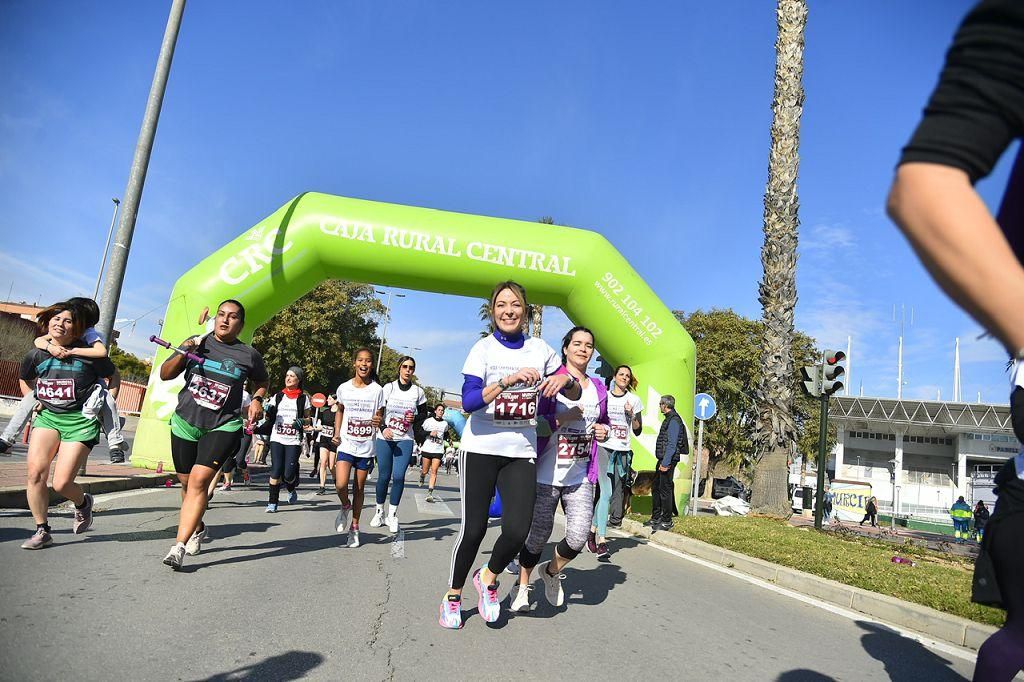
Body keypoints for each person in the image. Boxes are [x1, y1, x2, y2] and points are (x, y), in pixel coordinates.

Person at [439, 281, 578, 629]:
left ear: (525, 310)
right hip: (481, 448)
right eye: (501, 305)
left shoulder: (540, 349)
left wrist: (565, 382)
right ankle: (453, 596)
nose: (508, 311)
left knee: (518, 530)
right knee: (473, 530)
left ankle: (487, 576)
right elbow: (469, 402)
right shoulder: (483, 350)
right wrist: (507, 381)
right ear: (493, 311)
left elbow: (573, 387)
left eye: (515, 304)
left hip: (521, 450)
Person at [159, 300, 268, 569]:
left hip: (223, 425)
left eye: (232, 317)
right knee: (186, 484)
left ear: (240, 325)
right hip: (186, 421)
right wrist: (186, 350)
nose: (224, 320)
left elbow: (262, 380)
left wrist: (256, 400)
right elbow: (164, 374)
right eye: (221, 315)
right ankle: (197, 527)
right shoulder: (197, 342)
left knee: (197, 483)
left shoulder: (248, 355)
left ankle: (178, 547)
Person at [511, 326, 609, 612]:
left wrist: (603, 430)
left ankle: (551, 572)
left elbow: (603, 423)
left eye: (588, 345)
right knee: (538, 534)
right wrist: (562, 418)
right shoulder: (549, 384)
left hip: (580, 474)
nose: (582, 349)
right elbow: (532, 423)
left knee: (578, 537)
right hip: (545, 473)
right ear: (565, 349)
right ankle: (522, 586)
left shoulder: (599, 389)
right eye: (576, 343)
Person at [18, 301, 118, 549]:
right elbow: (25, 379)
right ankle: (42, 530)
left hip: (80, 422)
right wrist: (35, 401)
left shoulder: (87, 352)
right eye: (56, 318)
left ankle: (83, 503)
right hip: (48, 417)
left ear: (78, 329)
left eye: (68, 321)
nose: (59, 324)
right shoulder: (37, 353)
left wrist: (107, 404)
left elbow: (113, 376)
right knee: (35, 475)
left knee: (62, 483)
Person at [1, 297, 127, 463]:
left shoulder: (89, 334)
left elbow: (101, 353)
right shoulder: (51, 340)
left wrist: (72, 351)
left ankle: (115, 442)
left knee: (107, 401)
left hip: (93, 383)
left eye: (70, 319)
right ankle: (6, 439)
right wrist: (51, 348)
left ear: (82, 321)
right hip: (53, 408)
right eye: (59, 318)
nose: (63, 323)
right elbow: (38, 341)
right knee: (28, 400)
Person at [331, 348, 384, 549]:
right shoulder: (344, 388)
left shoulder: (377, 390)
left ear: (372, 365)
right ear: (354, 363)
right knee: (340, 484)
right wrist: (337, 433)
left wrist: (379, 420)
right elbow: (340, 411)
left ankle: (354, 527)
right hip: (346, 443)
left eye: (368, 361)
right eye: (360, 360)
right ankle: (345, 505)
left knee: (359, 488)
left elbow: (379, 416)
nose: (364, 364)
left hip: (366, 446)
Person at [372, 356, 428, 533]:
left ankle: (392, 515)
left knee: (398, 477)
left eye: (411, 367)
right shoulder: (388, 388)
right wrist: (383, 427)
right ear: (399, 368)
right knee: (383, 476)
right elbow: (378, 412)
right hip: (386, 437)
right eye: (404, 366)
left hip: (405, 439)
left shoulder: (418, 392)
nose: (408, 370)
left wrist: (415, 418)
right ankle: (379, 512)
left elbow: (424, 414)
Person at [593, 365, 643, 557]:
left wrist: (631, 415)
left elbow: (638, 429)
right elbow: (594, 419)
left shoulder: (634, 400)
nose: (624, 378)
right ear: (614, 377)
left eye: (627, 376)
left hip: (622, 450)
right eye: (621, 374)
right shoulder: (604, 396)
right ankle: (602, 541)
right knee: (605, 492)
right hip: (604, 447)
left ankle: (592, 529)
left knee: (613, 491)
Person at [263, 367, 310, 512]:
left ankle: (291, 488)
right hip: (277, 437)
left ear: (298, 380)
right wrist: (268, 412)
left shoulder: (303, 398)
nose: (288, 378)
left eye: (292, 376)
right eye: (287, 375)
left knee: (288, 474)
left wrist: (302, 422)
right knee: (276, 470)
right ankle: (272, 503)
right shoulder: (277, 396)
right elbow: (267, 417)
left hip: (294, 440)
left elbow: (308, 419)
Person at [645, 395, 688, 532]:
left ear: (665, 405)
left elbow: (672, 444)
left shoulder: (674, 421)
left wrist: (666, 462)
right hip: (663, 459)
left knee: (665, 490)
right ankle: (656, 517)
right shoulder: (669, 419)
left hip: (668, 460)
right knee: (656, 487)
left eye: (660, 404)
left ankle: (666, 521)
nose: (659, 407)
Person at [207, 390, 253, 493]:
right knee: (224, 458)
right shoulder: (222, 390)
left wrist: (249, 420)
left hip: (243, 430)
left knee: (240, 460)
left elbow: (250, 413)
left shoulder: (245, 395)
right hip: (226, 429)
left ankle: (244, 471)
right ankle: (225, 483)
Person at [419, 404, 452, 502]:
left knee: (434, 471)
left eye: (442, 410)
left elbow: (445, 434)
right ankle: (422, 476)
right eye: (439, 410)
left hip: (438, 450)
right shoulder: (428, 421)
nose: (441, 412)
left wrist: (449, 439)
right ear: (435, 411)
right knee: (425, 470)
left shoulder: (445, 423)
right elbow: (420, 432)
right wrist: (429, 433)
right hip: (428, 448)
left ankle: (430, 493)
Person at [313, 394, 339, 495]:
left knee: (331, 466)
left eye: (329, 399)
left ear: (336, 400)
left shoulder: (339, 413)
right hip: (324, 439)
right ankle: (322, 486)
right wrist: (313, 428)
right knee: (323, 462)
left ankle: (337, 482)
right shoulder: (325, 412)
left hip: (333, 441)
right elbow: (320, 426)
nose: (327, 400)